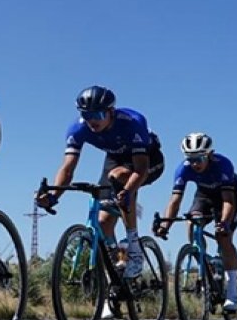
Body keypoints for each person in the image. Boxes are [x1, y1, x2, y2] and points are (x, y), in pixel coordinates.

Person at [36, 85, 164, 279]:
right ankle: (117, 264)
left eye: (98, 115)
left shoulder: (133, 122)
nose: (92, 121)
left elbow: (140, 169)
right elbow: (67, 168)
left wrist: (128, 192)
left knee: (119, 176)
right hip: (115, 158)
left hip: (148, 160)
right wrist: (54, 196)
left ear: (111, 112)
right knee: (103, 221)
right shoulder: (78, 129)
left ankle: (135, 246)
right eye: (86, 115)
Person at [153, 132, 237, 311]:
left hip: (227, 199)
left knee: (223, 238)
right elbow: (175, 201)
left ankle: (232, 291)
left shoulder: (223, 165)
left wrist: (224, 222)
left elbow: (228, 201)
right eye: (191, 158)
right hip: (204, 196)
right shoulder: (183, 169)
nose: (195, 163)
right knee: (192, 223)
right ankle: (204, 260)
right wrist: (165, 224)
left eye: (199, 158)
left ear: (209, 154)